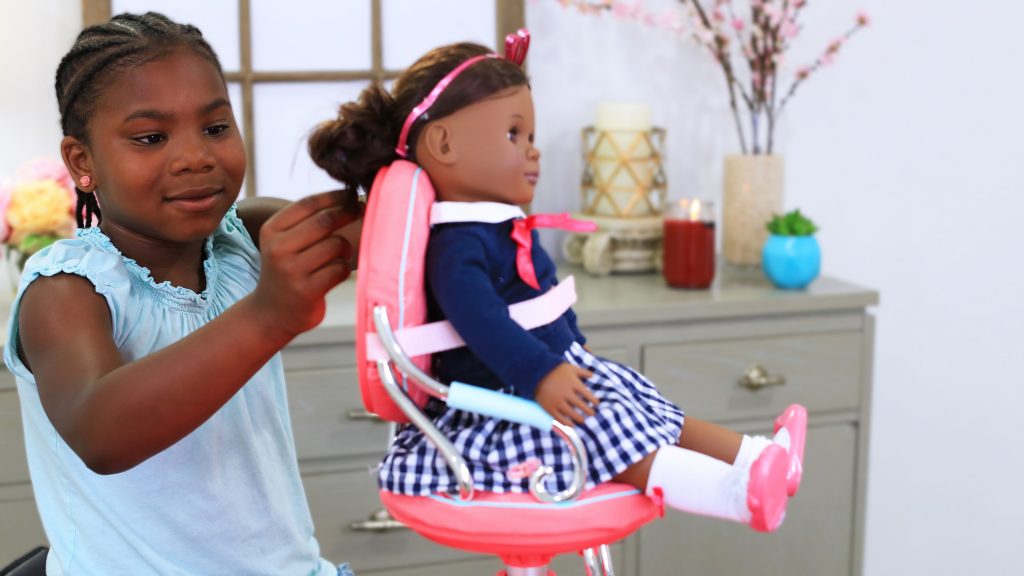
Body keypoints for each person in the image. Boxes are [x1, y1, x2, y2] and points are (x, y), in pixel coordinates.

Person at [308, 32, 806, 533]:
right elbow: (481, 322)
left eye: (531, 137)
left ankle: (760, 456)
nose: (532, 152)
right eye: (513, 135)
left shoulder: (494, 224)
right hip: (505, 399)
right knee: (614, 436)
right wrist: (540, 373)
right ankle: (737, 495)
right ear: (443, 143)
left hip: (549, 373)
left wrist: (564, 359)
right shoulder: (455, 244)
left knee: (649, 410)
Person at [3, 12, 361, 575]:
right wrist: (268, 315)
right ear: (82, 161)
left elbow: (399, 231)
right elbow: (101, 434)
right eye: (151, 138)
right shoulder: (68, 290)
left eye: (216, 128)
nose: (197, 156)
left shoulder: (248, 234)